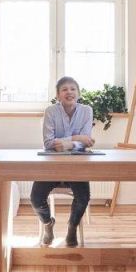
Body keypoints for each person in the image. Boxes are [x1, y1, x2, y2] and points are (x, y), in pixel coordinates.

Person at [30, 76, 94, 247]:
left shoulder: (86, 111)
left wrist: (64, 143)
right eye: (64, 89)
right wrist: (75, 139)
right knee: (36, 198)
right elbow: (49, 143)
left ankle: (72, 227)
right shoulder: (51, 111)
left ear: (78, 93)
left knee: (83, 197)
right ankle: (47, 224)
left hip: (76, 166)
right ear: (58, 95)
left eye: (73, 89)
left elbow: (86, 142)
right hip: (51, 166)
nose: (69, 92)